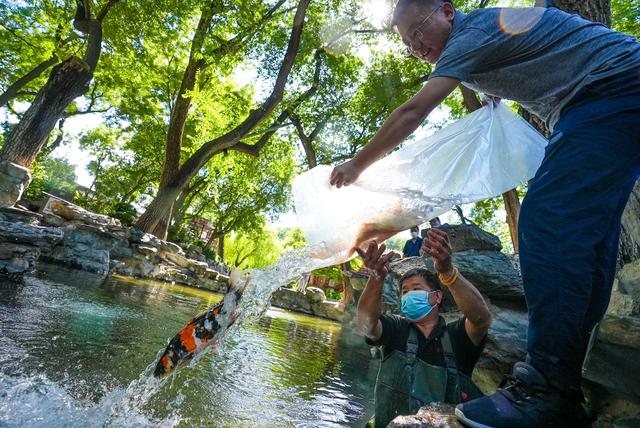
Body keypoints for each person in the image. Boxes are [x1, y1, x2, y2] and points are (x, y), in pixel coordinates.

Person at [330, 1, 640, 426]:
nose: (415, 47)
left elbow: (412, 112)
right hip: (616, 95)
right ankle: (563, 382)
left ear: (447, 11)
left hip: (611, 88)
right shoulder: (481, 41)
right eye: (406, 44)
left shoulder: (468, 35)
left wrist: (356, 165)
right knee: (591, 237)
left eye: (417, 33)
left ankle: (546, 386)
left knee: (547, 220)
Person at [357, 228, 491, 427]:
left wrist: (447, 272)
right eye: (404, 292)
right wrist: (376, 278)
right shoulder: (396, 329)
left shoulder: (457, 336)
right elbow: (368, 325)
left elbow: (481, 319)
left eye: (416, 289)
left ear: (436, 297)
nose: (409, 295)